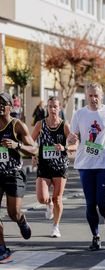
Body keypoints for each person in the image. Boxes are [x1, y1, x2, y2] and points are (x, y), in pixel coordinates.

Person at [67, 82, 105, 251]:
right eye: (90, 96)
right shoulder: (79, 114)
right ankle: (96, 236)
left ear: (102, 96)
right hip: (85, 165)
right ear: (86, 96)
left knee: (102, 203)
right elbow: (73, 136)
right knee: (90, 203)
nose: (93, 99)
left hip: (104, 164)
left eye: (96, 95)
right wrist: (71, 140)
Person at [0, 92, 37, 261]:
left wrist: (17, 145)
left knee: (13, 212)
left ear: (10, 106)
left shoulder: (17, 126)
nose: (0, 106)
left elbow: (34, 149)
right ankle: (2, 247)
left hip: (14, 174)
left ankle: (21, 220)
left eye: (3, 103)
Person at [31, 97, 71, 238]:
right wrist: (34, 154)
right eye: (50, 106)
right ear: (47, 108)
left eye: (55, 106)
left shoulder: (65, 125)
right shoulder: (40, 124)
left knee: (57, 198)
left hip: (60, 165)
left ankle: (55, 227)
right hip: (44, 165)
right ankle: (48, 205)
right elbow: (31, 142)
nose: (52, 109)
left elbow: (75, 145)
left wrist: (64, 147)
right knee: (42, 198)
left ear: (59, 108)